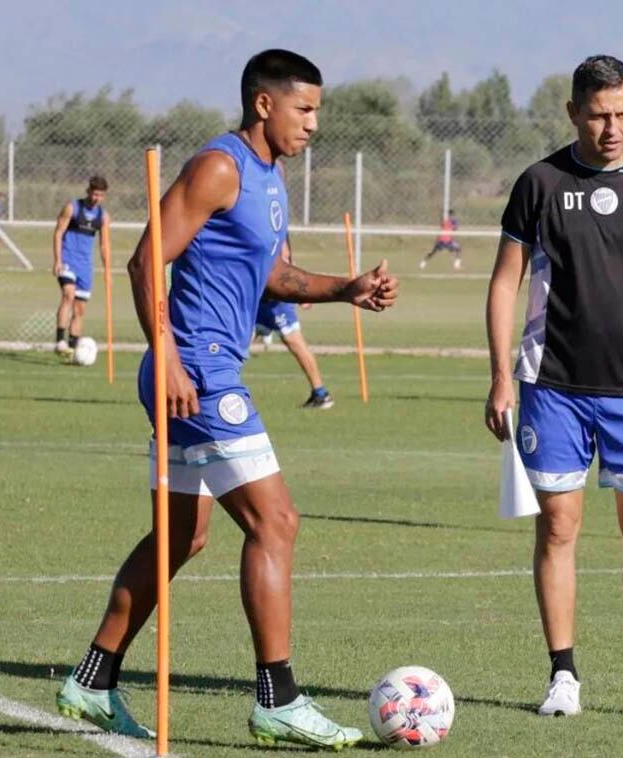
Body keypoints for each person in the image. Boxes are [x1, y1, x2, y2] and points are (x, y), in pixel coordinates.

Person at [55, 49, 398, 749]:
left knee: (182, 536)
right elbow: (146, 258)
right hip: (199, 371)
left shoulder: (269, 180)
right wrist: (172, 356)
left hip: (202, 368)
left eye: (318, 112)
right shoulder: (221, 166)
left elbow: (271, 272)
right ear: (264, 104)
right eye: (305, 110)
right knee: (277, 522)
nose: (313, 125)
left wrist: (347, 288)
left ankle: (91, 679)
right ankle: (278, 697)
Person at [485, 55, 623, 720]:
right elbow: (503, 283)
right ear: (574, 112)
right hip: (553, 387)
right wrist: (499, 376)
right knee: (558, 528)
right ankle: (563, 677)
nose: (612, 128)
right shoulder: (540, 182)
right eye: (600, 114)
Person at [254, 241, 335, 409]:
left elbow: (284, 260)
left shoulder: (274, 221)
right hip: (255, 296)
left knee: (295, 342)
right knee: (234, 342)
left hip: (274, 301)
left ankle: (321, 394)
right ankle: (220, 390)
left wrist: (300, 294)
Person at [52, 176, 111, 354]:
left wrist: (107, 271)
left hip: (85, 267)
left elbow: (104, 245)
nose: (96, 198)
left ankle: (72, 348)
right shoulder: (72, 208)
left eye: (100, 195)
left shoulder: (103, 216)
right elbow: (58, 233)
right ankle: (60, 341)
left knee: (80, 309)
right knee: (68, 295)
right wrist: (57, 260)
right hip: (68, 260)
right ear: (88, 192)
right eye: (94, 194)